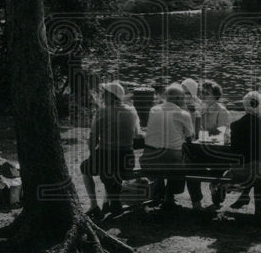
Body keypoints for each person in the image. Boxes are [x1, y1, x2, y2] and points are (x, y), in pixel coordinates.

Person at [80, 81, 141, 220]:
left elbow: (93, 137)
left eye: (104, 94)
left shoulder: (102, 111)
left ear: (111, 96)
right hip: (127, 158)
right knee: (110, 171)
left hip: (107, 157)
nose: (101, 96)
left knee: (85, 167)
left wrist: (93, 154)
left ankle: (94, 204)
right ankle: (109, 201)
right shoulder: (132, 110)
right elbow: (137, 134)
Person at [140, 83, 194, 212]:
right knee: (181, 159)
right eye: (183, 98)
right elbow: (190, 135)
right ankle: (169, 197)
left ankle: (160, 194)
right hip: (170, 162)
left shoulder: (153, 109)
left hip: (148, 160)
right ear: (179, 99)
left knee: (162, 153)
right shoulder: (183, 114)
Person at [227, 91, 261, 219]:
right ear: (260, 105)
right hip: (256, 169)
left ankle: (249, 198)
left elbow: (234, 151)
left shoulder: (234, 125)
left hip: (239, 170)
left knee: (256, 167)